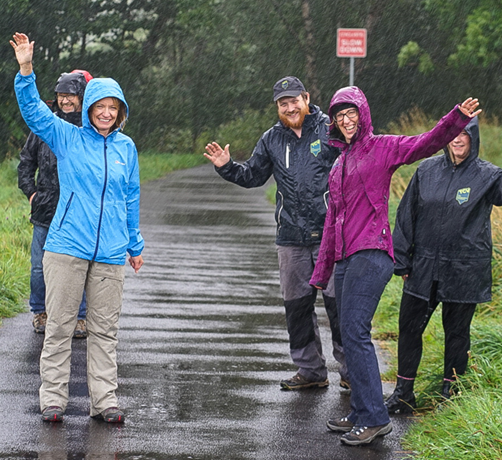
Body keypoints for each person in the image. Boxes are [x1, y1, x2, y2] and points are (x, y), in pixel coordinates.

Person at [310, 86, 480, 447]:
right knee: (347, 333)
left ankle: (374, 418)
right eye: (339, 116)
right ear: (335, 124)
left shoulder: (382, 147)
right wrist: (321, 272)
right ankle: (360, 409)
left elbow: (426, 143)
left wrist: (457, 119)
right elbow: (332, 222)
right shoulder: (339, 163)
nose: (346, 121)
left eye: (351, 113)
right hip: (344, 257)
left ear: (363, 113)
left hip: (371, 253)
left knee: (355, 332)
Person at [10, 32, 144, 425]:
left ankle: (105, 402)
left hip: (110, 253)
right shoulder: (66, 137)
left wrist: (134, 244)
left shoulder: (126, 148)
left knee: (105, 331)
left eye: (112, 108)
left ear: (121, 112)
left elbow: (130, 198)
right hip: (67, 246)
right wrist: (25, 69)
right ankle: (53, 398)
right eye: (99, 106)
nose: (105, 113)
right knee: (61, 326)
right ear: (87, 108)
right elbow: (33, 110)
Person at [385, 118, 502, 414]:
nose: (458, 140)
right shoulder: (426, 171)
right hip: (423, 268)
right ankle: (403, 393)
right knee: (409, 328)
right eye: (453, 133)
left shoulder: (487, 176)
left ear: (474, 138)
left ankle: (450, 395)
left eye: (465, 134)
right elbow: (405, 216)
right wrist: (402, 261)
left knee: (456, 333)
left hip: (463, 270)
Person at [203, 76, 348, 391]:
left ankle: (350, 370)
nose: (290, 107)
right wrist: (227, 166)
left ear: (306, 98)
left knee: (340, 306)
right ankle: (310, 370)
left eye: (294, 100)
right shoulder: (272, 139)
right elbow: (253, 175)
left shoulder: (329, 130)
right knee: (297, 307)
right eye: (283, 103)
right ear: (278, 107)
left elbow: (354, 168)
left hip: (331, 235)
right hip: (291, 238)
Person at [18, 70, 93, 338]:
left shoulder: (90, 129)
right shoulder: (44, 126)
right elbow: (26, 162)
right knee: (39, 267)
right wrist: (32, 194)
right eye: (61, 96)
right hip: (46, 208)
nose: (65, 101)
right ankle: (40, 311)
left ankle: (80, 317)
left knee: (78, 265)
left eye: (71, 96)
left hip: (78, 211)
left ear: (82, 97)